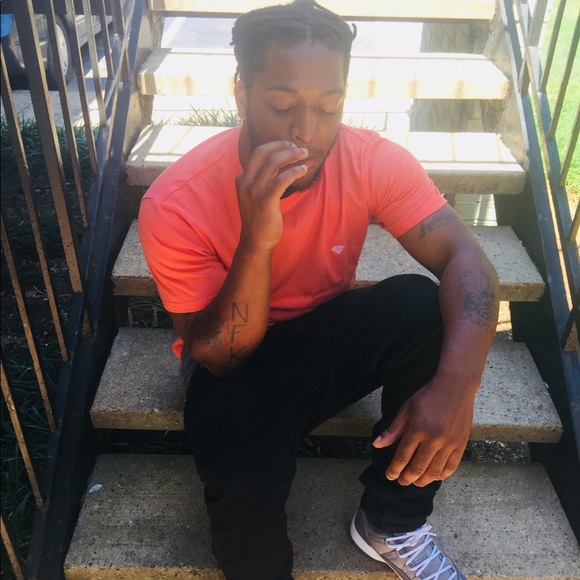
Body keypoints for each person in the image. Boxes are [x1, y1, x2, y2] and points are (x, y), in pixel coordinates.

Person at [139, 1, 499, 578]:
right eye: (282, 106)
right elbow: (221, 357)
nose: (306, 131)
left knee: (421, 305)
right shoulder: (175, 202)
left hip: (326, 336)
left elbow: (466, 259)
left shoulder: (371, 161)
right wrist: (257, 240)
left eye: (328, 107)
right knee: (239, 471)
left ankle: (391, 523)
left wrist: (459, 385)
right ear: (241, 95)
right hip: (233, 360)